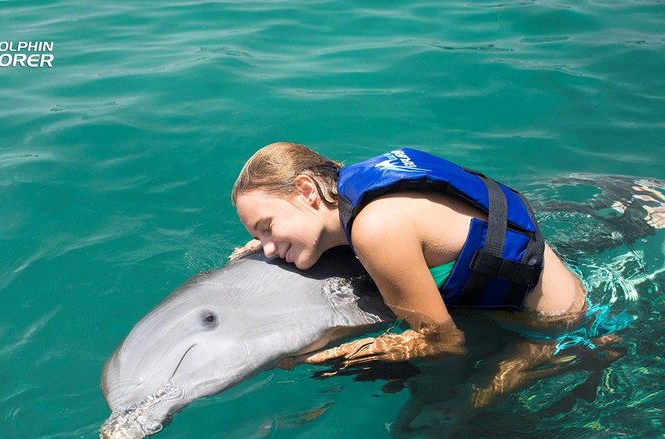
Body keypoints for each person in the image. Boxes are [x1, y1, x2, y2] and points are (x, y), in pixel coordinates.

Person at [230, 143, 663, 392]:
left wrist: (324, 357)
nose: (267, 248)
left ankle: (601, 350)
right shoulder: (359, 189)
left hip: (555, 329)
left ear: (306, 190)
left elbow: (442, 343)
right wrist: (276, 238)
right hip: (545, 284)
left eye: (267, 227)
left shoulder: (377, 230)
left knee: (447, 421)